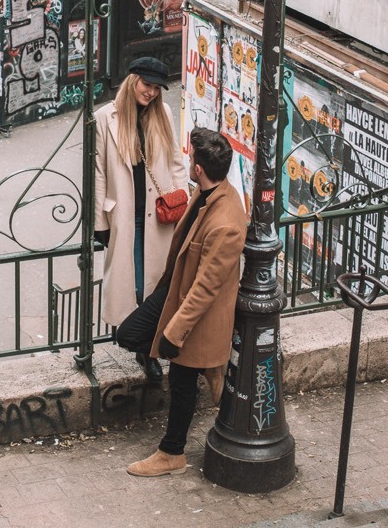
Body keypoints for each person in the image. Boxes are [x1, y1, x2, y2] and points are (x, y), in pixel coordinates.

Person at [116, 127, 246, 478]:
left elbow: (205, 289)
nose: (189, 162)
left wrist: (175, 333)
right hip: (174, 291)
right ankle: (209, 368)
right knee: (128, 334)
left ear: (199, 168)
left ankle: (172, 452)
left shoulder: (227, 222)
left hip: (195, 314)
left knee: (181, 382)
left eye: (192, 159)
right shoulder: (207, 193)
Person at [94, 56, 188, 381]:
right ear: (133, 80)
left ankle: (146, 350)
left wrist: (180, 200)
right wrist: (99, 223)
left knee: (156, 283)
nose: (151, 92)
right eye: (147, 84)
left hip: (159, 217)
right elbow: (98, 175)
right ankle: (137, 340)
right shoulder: (105, 118)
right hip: (124, 216)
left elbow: (176, 162)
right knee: (132, 283)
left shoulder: (162, 114)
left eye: (156, 88)